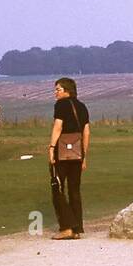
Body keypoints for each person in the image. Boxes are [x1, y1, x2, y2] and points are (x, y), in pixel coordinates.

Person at [48, 77, 90, 240]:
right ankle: (77, 228)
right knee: (74, 190)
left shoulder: (60, 105)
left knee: (57, 187)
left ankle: (67, 227)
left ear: (67, 90)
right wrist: (84, 156)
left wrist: (51, 148)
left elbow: (58, 127)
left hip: (62, 151)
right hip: (77, 153)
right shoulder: (82, 106)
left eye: (58, 89)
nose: (55, 93)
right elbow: (86, 133)